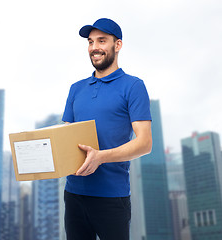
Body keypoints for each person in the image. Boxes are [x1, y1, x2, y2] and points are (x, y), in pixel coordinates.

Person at [62, 18, 153, 240]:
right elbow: (64, 139)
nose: (94, 48)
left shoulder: (133, 86)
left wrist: (100, 157)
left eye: (102, 41)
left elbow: (145, 143)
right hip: (73, 194)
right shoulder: (76, 89)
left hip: (111, 197)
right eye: (91, 42)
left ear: (117, 45)